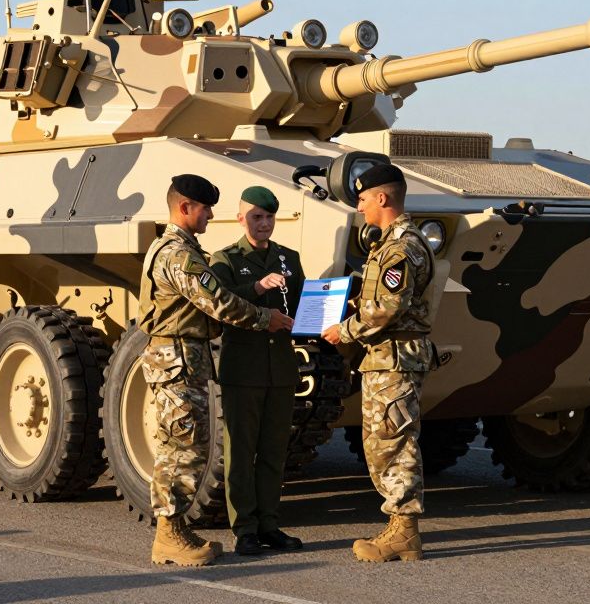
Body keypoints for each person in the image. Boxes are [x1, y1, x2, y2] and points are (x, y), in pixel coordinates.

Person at [140, 174, 294, 567]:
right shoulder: (179, 255)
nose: (210, 215)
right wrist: (264, 317)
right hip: (177, 358)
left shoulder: (183, 249)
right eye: (205, 208)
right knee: (181, 448)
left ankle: (174, 530)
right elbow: (220, 303)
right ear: (185, 208)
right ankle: (169, 534)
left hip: (185, 357)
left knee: (185, 445)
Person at [322, 164, 435, 563]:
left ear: (382, 199)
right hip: (386, 358)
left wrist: (345, 330)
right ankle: (398, 526)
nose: (360, 207)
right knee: (383, 442)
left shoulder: (400, 248)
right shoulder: (389, 245)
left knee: (395, 442)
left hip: (394, 359)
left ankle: (404, 531)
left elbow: (387, 308)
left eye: (364, 199)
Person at [208, 186, 306, 556]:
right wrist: (257, 285)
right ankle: (244, 528)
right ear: (240, 218)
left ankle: (269, 524)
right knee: (241, 450)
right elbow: (219, 302)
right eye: (256, 217)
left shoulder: (288, 258)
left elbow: (301, 303)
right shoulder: (226, 259)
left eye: (268, 217)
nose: (263, 223)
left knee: (273, 451)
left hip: (280, 369)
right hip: (243, 368)